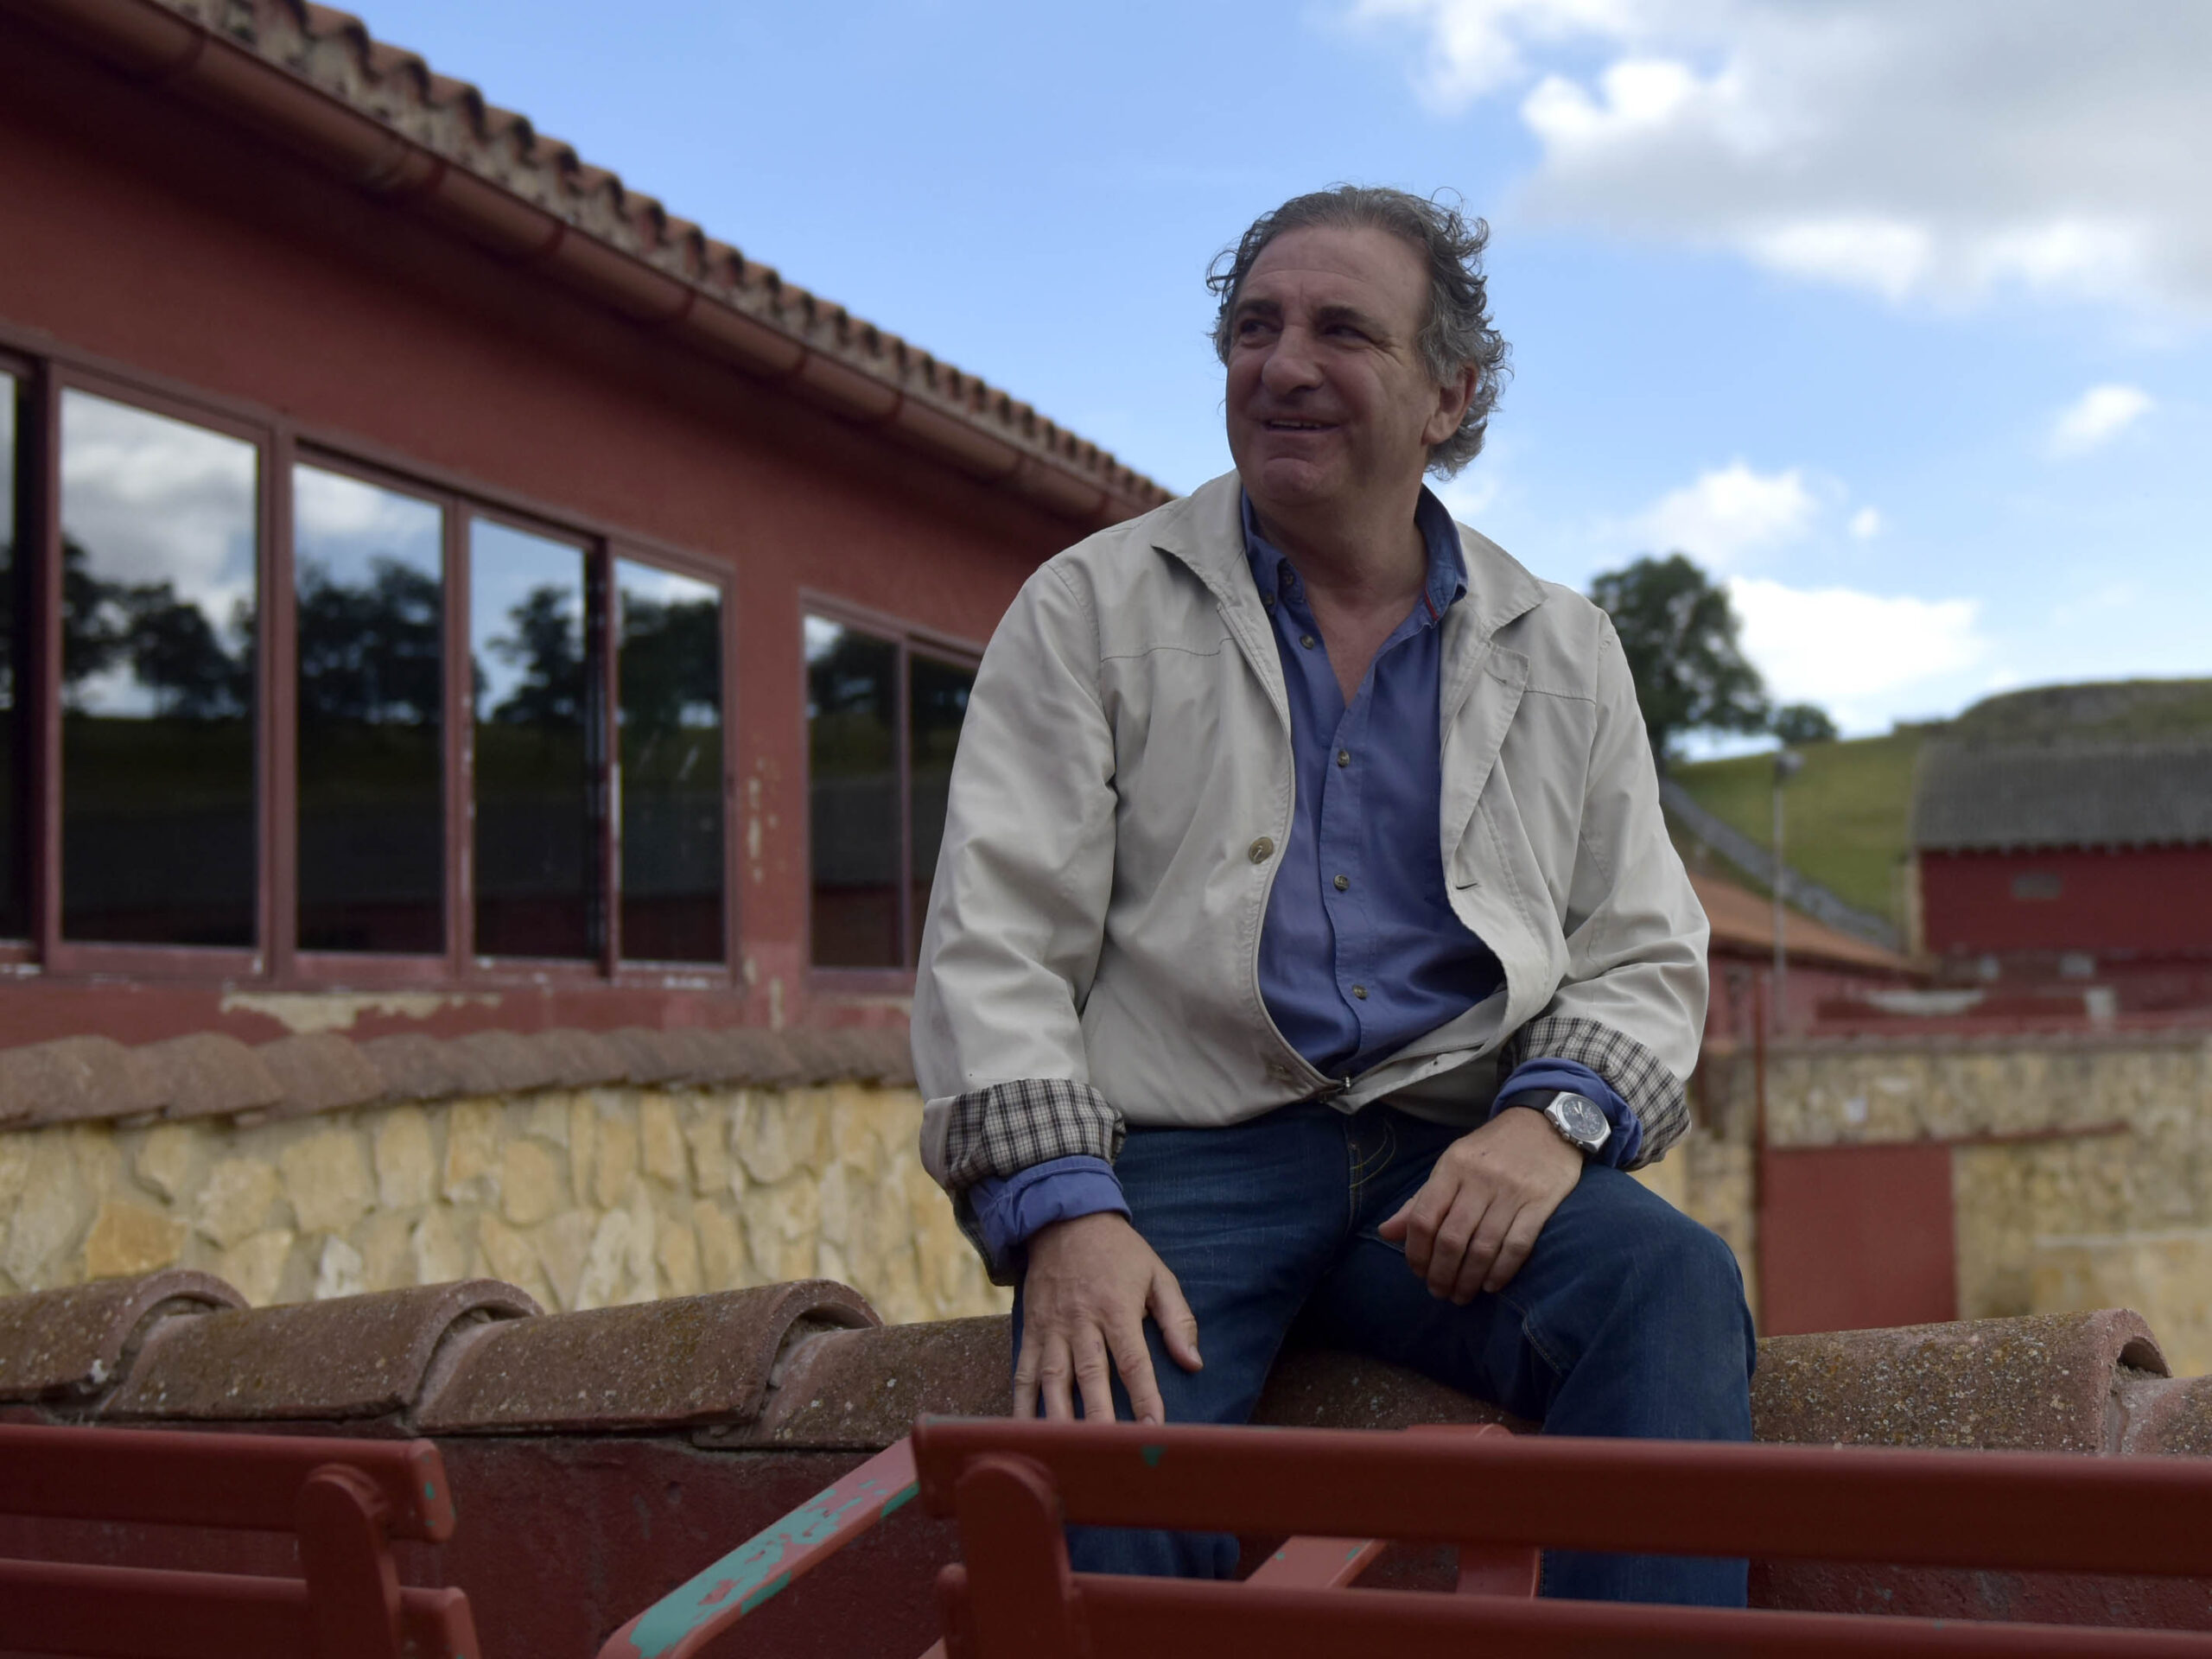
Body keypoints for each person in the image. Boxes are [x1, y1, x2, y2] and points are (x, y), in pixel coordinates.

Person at [912, 185, 1755, 1606]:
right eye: (1254, 327)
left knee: (1668, 1283)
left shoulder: (1566, 646)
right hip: (1183, 1161)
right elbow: (994, 937)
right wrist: (1064, 1214)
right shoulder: (1089, 608)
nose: (1281, 364)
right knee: (1098, 1428)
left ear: (1449, 394)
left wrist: (1551, 1125)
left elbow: (1646, 944)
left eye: (1342, 331)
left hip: (1453, 1153)